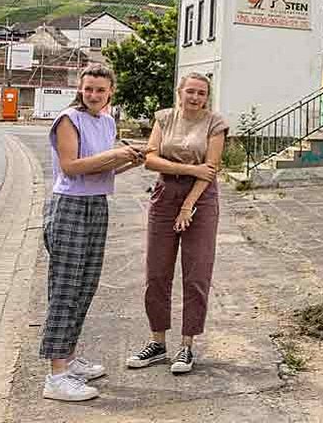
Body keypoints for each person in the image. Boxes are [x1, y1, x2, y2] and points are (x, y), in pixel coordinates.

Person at [41, 64, 146, 402]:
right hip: (69, 206)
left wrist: (131, 160)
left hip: (96, 204)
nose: (94, 95)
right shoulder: (69, 119)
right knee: (65, 288)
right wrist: (116, 154)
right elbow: (72, 166)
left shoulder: (108, 121)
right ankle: (56, 376)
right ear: (80, 88)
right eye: (88, 89)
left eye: (100, 90)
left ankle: (69, 359)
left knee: (86, 285)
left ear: (110, 91)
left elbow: (103, 167)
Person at [127, 72, 227, 374]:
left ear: (206, 97)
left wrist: (188, 205)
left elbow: (209, 171)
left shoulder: (215, 124)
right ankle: (157, 342)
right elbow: (150, 159)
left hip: (201, 199)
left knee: (196, 273)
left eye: (201, 93)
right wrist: (186, 168)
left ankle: (187, 346)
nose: (195, 97)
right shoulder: (164, 118)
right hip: (164, 193)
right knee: (156, 273)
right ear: (179, 92)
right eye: (191, 92)